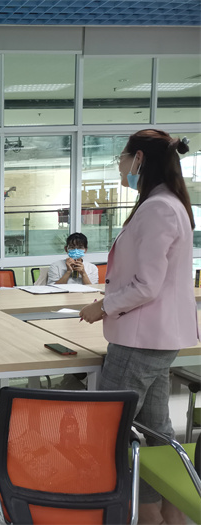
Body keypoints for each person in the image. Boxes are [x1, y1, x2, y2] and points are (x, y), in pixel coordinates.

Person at [80, 130, 197, 525]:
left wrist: (102, 306)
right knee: (157, 429)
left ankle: (146, 513)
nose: (119, 164)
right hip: (155, 338)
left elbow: (147, 285)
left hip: (140, 339)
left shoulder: (158, 208)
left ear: (139, 159)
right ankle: (169, 512)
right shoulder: (167, 203)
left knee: (112, 428)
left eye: (122, 156)